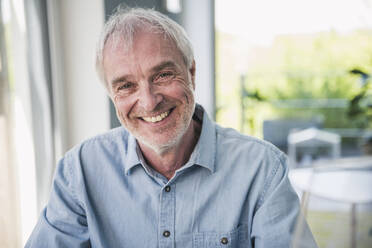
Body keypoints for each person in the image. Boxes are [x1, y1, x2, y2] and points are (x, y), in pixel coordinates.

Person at [26, 7, 317, 248]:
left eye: (163, 75)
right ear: (111, 94)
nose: (149, 102)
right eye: (126, 86)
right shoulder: (79, 171)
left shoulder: (262, 169)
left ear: (191, 72)